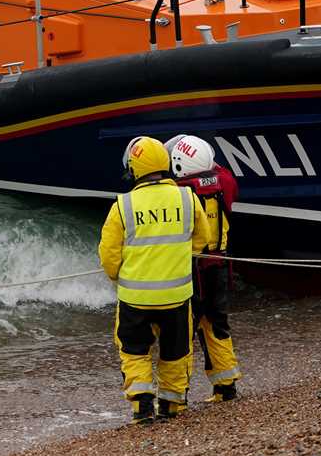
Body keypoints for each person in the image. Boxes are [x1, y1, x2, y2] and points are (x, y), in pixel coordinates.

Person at [99, 136, 209, 423]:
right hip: (176, 297)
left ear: (135, 167)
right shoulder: (187, 198)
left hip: (136, 300)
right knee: (175, 351)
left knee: (134, 351)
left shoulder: (122, 206)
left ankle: (141, 407)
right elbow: (202, 240)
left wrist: (119, 278)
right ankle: (172, 407)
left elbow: (109, 256)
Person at [164, 134, 242, 402]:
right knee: (217, 324)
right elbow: (221, 172)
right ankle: (226, 385)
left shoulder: (179, 192)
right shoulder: (225, 183)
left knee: (183, 331)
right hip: (219, 267)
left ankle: (176, 395)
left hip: (192, 270)